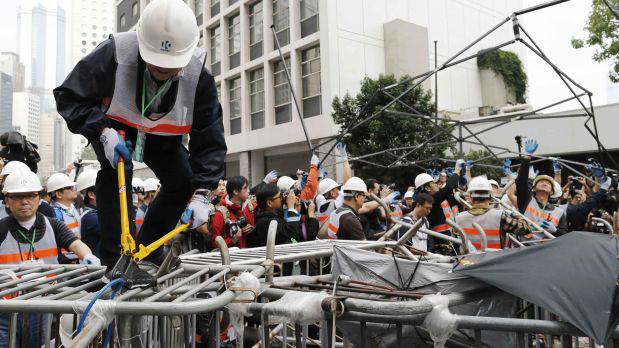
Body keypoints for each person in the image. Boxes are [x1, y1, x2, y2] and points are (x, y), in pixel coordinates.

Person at [54, 0, 226, 266]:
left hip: (163, 136)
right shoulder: (113, 53)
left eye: (172, 68)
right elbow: (69, 97)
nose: (164, 73)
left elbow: (210, 139)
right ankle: (117, 259)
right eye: (157, 67)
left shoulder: (198, 77)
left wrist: (203, 194)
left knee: (183, 181)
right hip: (115, 130)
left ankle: (149, 246)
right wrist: (101, 131)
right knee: (116, 174)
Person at [0, 170, 99, 347]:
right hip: (6, 311)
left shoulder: (53, 225)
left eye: (30, 195)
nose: (24, 201)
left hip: (43, 308)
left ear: (39, 198)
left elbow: (75, 244)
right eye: (17, 197)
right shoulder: (1, 228)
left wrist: (88, 255)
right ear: (7, 200)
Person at [455, 176, 531, 250]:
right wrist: (513, 213)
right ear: (490, 197)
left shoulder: (458, 218)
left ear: (470, 198)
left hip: (468, 261)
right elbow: (525, 229)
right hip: (495, 260)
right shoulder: (500, 216)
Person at [515, 139, 568, 236]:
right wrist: (527, 157)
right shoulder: (526, 200)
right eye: (541, 181)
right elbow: (521, 182)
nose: (544, 183)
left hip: (548, 249)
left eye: (548, 183)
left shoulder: (559, 212)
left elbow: (565, 234)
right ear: (534, 188)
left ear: (552, 192)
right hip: (525, 247)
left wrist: (556, 231)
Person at [414, 159, 464, 251]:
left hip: (450, 238)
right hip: (441, 243)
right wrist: (456, 172)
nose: (436, 184)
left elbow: (457, 199)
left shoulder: (437, 198)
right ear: (427, 188)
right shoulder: (430, 200)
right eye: (433, 183)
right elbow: (448, 188)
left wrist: (461, 183)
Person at [248, 183, 301, 248]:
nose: (282, 198)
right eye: (279, 197)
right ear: (269, 203)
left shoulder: (273, 212)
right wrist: (291, 208)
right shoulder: (265, 222)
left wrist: (293, 208)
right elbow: (292, 233)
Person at [210, 176, 255, 248]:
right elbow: (215, 244)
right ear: (236, 191)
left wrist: (250, 230)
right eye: (245, 188)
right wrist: (233, 239)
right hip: (231, 257)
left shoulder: (248, 208)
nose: (248, 191)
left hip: (247, 253)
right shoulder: (220, 214)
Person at [76, 169, 101, 257]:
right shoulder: (90, 217)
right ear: (91, 195)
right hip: (96, 268)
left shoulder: (95, 214)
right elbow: (115, 230)